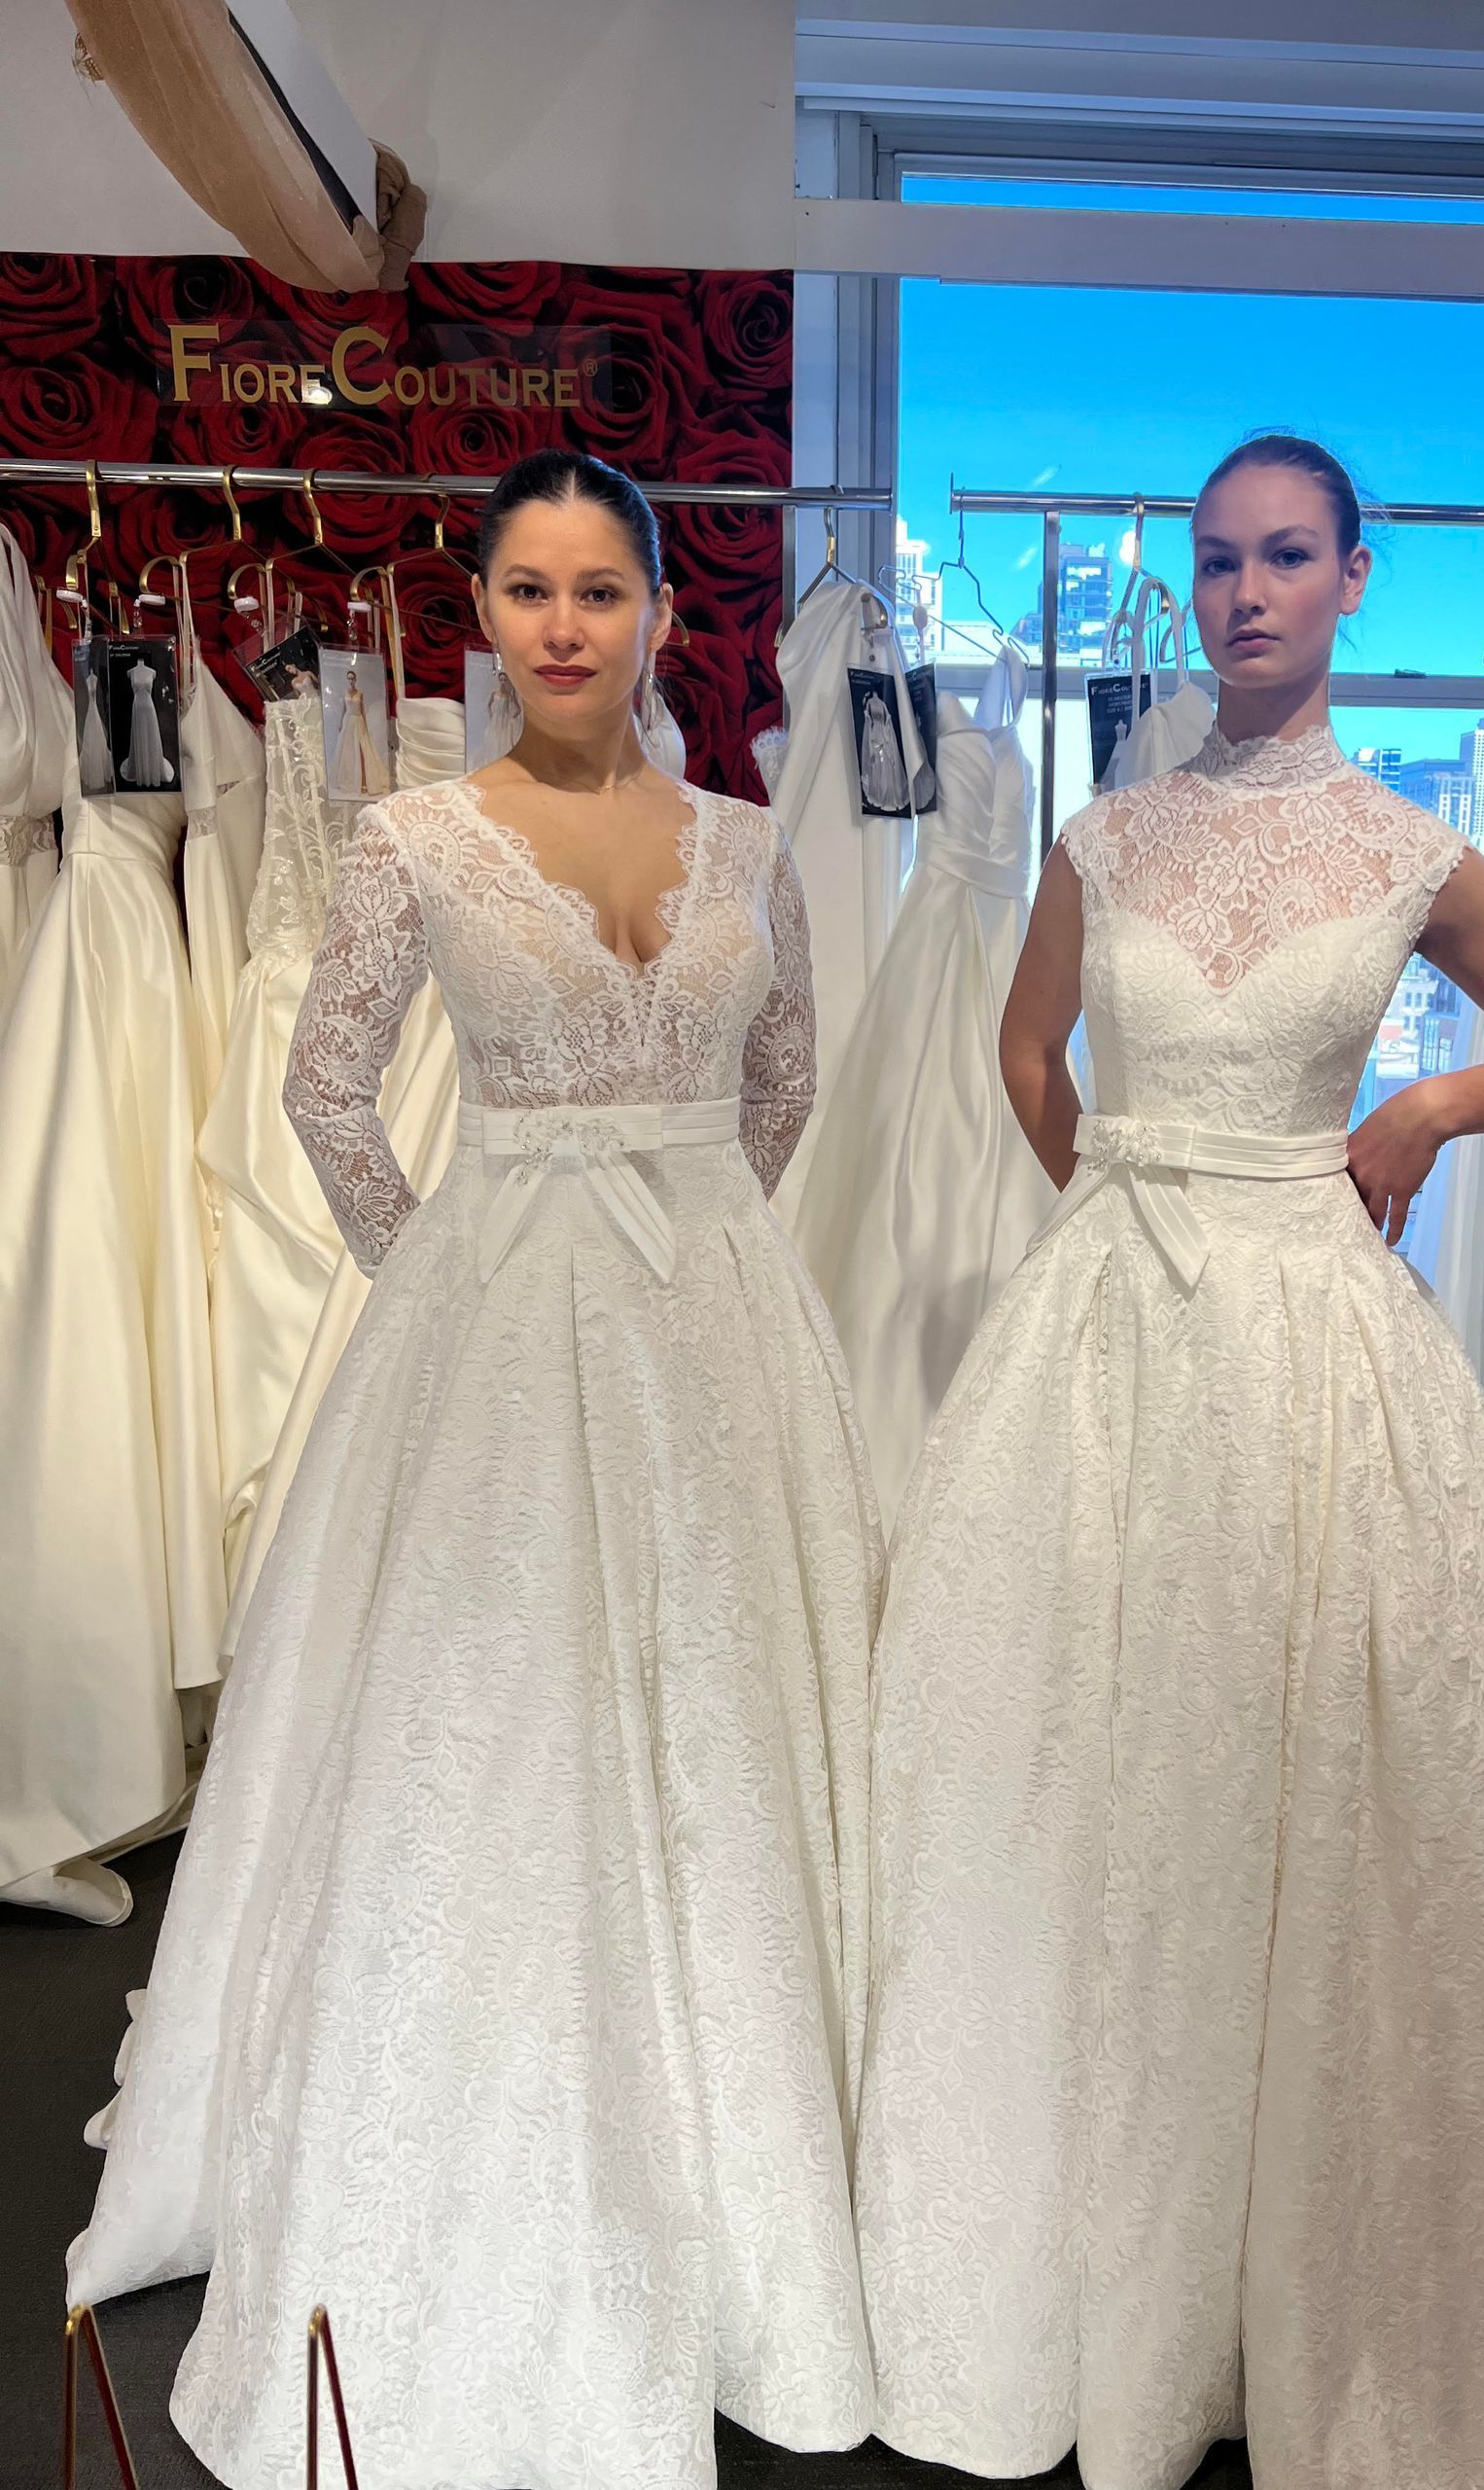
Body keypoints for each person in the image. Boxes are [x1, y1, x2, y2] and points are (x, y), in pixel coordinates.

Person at [854, 433, 1484, 2490]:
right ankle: (1083, 2220)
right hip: (1109, 1322)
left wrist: (1428, 1112)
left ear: (1358, 578)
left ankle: (1308, 2230)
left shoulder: (1401, 853)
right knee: (1082, 1750)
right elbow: (1025, 1046)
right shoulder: (1111, 835)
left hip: (1312, 1323)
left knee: (1321, 1755)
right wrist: (1101, 1190)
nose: (1246, 592)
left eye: (1286, 559)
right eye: (1218, 563)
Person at [67, 449, 882, 2490]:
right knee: (492, 1721)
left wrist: (690, 1222)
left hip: (710, 1315)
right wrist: (446, 1258)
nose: (565, 623)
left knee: (734, 1707)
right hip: (498, 1306)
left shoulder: (749, 838)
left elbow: (782, 1077)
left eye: (600, 586)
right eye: (527, 587)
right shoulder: (413, 834)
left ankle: (757, 2148)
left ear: (663, 616)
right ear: (484, 616)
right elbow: (325, 1083)